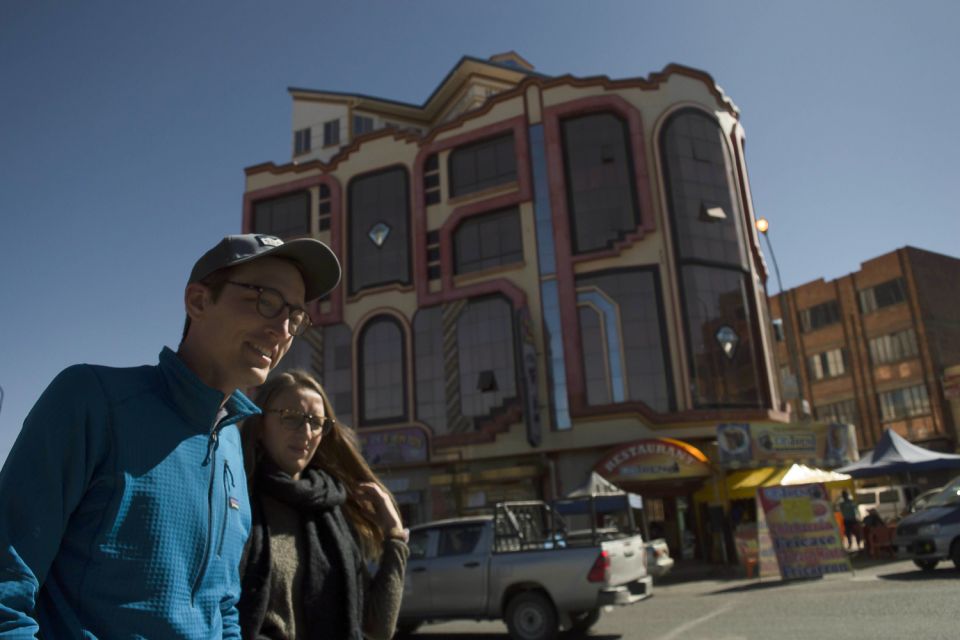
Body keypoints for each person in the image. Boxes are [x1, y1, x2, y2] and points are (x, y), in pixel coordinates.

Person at [0, 233, 340, 638]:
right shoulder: (91, 400)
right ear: (198, 301)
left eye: (296, 316)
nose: (282, 328)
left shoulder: (233, 444)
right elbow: (7, 585)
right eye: (266, 300)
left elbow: (223, 604)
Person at [238, 370, 408, 640]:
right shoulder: (237, 499)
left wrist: (395, 536)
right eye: (291, 418)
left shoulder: (332, 510)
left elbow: (377, 628)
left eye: (316, 423)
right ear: (260, 425)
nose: (305, 432)